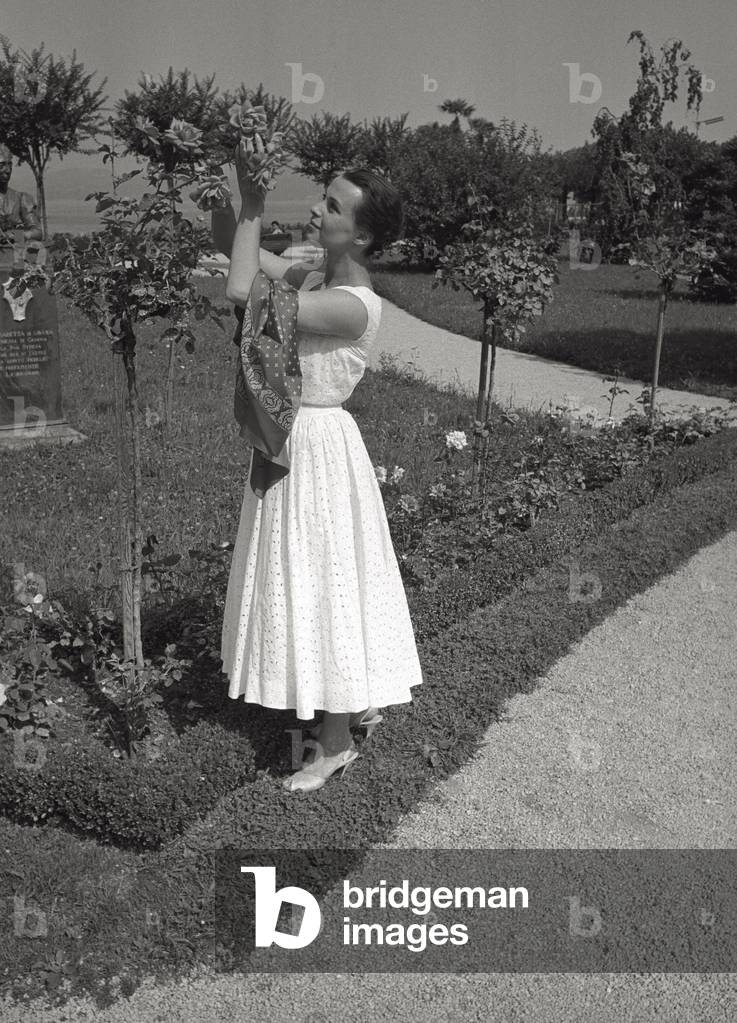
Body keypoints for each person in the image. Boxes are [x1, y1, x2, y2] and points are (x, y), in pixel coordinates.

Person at [214, 149, 424, 793]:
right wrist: (226, 188)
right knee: (313, 574)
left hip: (319, 448)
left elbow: (240, 288)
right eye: (322, 196)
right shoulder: (312, 276)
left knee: (325, 579)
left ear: (361, 234)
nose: (315, 208)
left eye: (331, 206)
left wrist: (253, 206)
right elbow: (231, 246)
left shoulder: (354, 304)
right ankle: (350, 698)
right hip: (297, 440)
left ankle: (334, 745)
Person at [0, 143, 42, 246]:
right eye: (1, 166)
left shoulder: (21, 198)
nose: (8, 170)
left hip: (14, 255)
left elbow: (37, 232)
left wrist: (15, 236)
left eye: (9, 165)